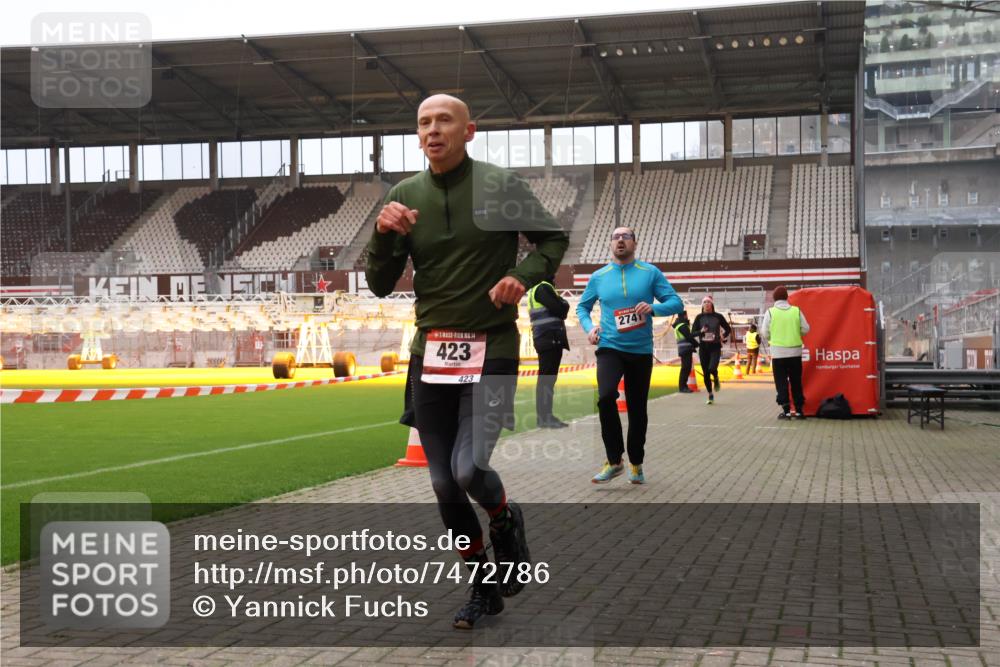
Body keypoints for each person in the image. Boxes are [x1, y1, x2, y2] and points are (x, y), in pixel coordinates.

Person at [365, 94, 569, 629]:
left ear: (469, 131)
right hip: (429, 355)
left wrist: (520, 279)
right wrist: (383, 235)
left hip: (494, 349)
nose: (433, 130)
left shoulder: (501, 186)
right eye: (424, 123)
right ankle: (483, 589)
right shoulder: (405, 196)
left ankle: (505, 521)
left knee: (468, 468)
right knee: (442, 484)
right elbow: (381, 284)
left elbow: (553, 239)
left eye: (444, 121)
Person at [577, 227, 683, 485]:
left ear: (635, 243)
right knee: (605, 398)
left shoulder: (650, 273)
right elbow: (582, 307)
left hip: (640, 350)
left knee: (637, 409)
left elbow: (676, 303)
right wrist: (590, 328)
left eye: (625, 236)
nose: (620, 240)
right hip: (610, 347)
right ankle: (614, 461)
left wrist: (654, 308)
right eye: (615, 237)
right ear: (610, 244)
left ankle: (636, 463)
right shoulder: (599, 276)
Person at [759, 285, 810, 420]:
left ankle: (786, 410)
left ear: (774, 298)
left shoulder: (770, 312)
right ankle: (799, 410)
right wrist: (795, 333)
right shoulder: (796, 310)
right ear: (787, 297)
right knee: (796, 381)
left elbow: (764, 332)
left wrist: (773, 338)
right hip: (795, 352)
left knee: (781, 382)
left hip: (778, 353)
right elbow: (806, 328)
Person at [527, 277, 570, 428]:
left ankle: (545, 417)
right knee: (547, 380)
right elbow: (561, 309)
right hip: (549, 338)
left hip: (545, 338)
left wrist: (561, 302)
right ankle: (545, 418)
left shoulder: (535, 289)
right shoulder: (543, 287)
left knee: (546, 380)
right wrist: (563, 302)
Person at [691, 295, 732, 405]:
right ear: (702, 305)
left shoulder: (718, 316)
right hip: (703, 348)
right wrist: (701, 331)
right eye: (704, 302)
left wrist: (724, 334)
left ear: (712, 304)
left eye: (708, 302)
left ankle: (716, 377)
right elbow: (692, 333)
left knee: (712, 368)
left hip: (715, 347)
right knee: (706, 373)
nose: (706, 304)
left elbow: (728, 328)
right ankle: (710, 394)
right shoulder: (699, 317)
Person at [673, 310, 697, 393]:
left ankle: (683, 386)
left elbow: (689, 336)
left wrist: (700, 332)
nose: (688, 317)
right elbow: (689, 337)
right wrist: (697, 344)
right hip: (685, 349)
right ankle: (683, 387)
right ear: (684, 316)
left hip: (684, 349)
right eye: (687, 315)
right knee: (685, 368)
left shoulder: (680, 325)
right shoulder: (682, 325)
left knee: (686, 368)